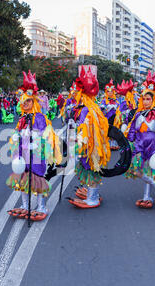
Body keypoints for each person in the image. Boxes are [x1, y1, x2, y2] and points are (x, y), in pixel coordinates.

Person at [6, 71, 62, 221]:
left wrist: (35, 140)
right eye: (23, 102)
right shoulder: (22, 118)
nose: (25, 104)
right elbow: (18, 132)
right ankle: (25, 205)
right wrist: (17, 135)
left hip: (36, 154)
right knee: (24, 179)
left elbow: (45, 134)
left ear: (34, 102)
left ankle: (41, 206)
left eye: (28, 102)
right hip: (23, 153)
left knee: (38, 180)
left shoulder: (39, 117)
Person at [67, 67, 111, 209]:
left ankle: (92, 198)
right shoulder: (92, 107)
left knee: (92, 172)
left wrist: (76, 137)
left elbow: (85, 130)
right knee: (93, 171)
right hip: (95, 146)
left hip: (90, 147)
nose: (74, 94)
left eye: (77, 92)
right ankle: (93, 195)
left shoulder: (86, 109)